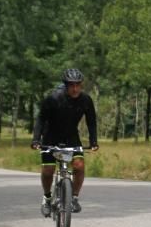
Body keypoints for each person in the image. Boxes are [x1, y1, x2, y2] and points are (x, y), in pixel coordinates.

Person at [30, 68, 99, 216]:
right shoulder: (53, 99)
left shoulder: (86, 100)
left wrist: (94, 141)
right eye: (71, 85)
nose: (75, 89)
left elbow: (91, 122)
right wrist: (36, 139)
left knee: (79, 166)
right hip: (50, 137)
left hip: (71, 137)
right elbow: (41, 119)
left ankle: (73, 198)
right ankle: (47, 198)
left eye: (78, 85)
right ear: (66, 85)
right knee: (48, 170)